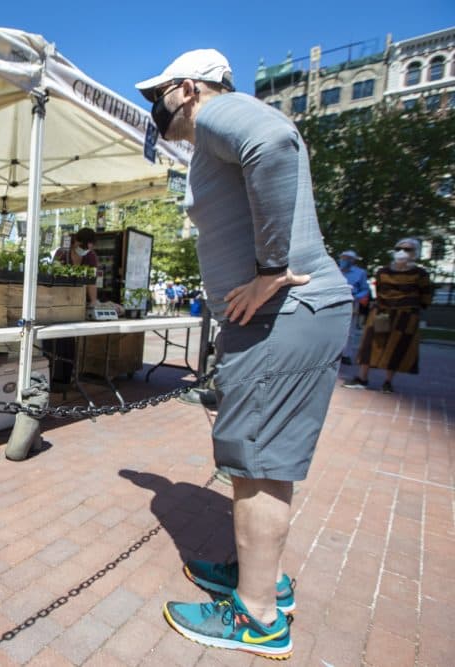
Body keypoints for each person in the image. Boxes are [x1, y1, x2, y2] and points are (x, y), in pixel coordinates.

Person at [134, 49, 352, 659]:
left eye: (158, 96)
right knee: (263, 461)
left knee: (256, 463)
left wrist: (270, 272)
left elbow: (276, 144)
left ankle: (257, 617)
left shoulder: (220, 112)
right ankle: (261, 581)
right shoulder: (215, 134)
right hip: (281, 320)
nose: (157, 110)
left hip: (283, 314)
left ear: (185, 88)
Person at [343, 238, 433, 393]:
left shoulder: (420, 274)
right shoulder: (383, 272)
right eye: (399, 248)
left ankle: (388, 382)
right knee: (371, 344)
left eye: (408, 249)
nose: (402, 252)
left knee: (397, 347)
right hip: (382, 312)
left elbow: (426, 296)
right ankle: (362, 378)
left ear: (415, 253)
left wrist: (411, 307)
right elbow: (380, 293)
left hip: (405, 316)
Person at [338, 249, 371, 365]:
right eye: (343, 257)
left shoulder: (360, 273)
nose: (344, 260)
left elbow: (365, 289)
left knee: (349, 331)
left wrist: (355, 296)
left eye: (347, 258)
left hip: (351, 302)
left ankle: (346, 354)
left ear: (353, 260)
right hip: (334, 301)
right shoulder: (335, 271)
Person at [53, 227, 99, 304]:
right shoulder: (63, 253)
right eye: (83, 247)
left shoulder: (91, 256)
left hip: (81, 299)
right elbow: (54, 274)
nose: (84, 251)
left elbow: (91, 282)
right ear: (76, 241)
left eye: (88, 249)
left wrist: (93, 302)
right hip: (61, 296)